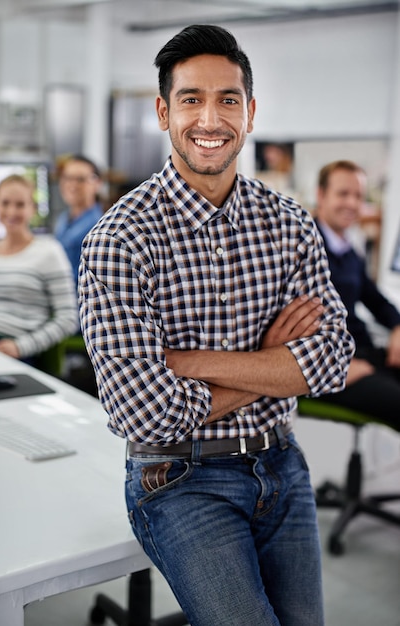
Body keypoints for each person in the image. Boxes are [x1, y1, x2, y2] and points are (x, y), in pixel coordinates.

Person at [79, 25, 354, 626]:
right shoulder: (120, 241)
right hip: (180, 476)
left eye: (228, 99)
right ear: (163, 112)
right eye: (191, 99)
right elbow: (142, 413)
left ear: (250, 113)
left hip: (282, 463)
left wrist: (187, 361)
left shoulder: (289, 224)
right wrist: (275, 363)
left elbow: (332, 358)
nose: (211, 117)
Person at [315, 159, 400, 431]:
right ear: (321, 195)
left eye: (358, 196)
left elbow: (375, 300)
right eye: (343, 194)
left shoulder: (348, 250)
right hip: (331, 368)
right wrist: (337, 368)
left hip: (362, 353)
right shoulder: (303, 247)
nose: (352, 204)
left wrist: (398, 326)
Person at [0, 174, 78, 361]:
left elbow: (68, 318)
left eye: (20, 204)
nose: (11, 211)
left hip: (13, 349)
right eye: (5, 203)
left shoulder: (49, 252)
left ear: (33, 209)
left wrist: (21, 347)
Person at [55, 154, 103, 288]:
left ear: (97, 183)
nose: (72, 185)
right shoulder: (63, 219)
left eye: (80, 179)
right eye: (67, 178)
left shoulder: (99, 227)